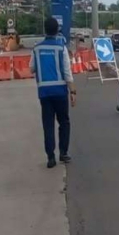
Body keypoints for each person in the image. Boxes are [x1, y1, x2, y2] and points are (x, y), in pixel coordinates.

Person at [30, 17, 77, 169]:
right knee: (64, 122)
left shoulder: (36, 49)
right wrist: (72, 91)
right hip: (60, 91)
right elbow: (67, 71)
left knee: (48, 124)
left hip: (44, 92)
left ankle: (50, 157)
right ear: (57, 30)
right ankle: (63, 152)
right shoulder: (61, 48)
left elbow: (31, 68)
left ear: (45, 30)